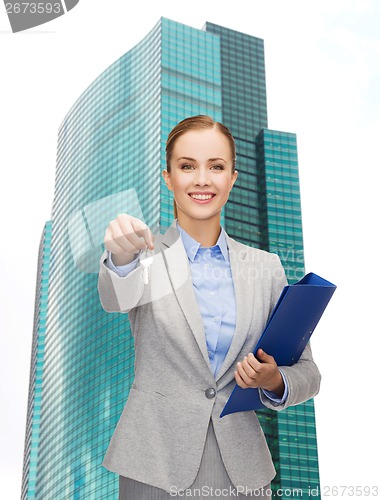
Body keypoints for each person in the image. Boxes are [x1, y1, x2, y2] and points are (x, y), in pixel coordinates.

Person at [98, 115, 321, 499]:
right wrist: (119, 256)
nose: (202, 179)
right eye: (187, 166)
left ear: (232, 178)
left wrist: (272, 380)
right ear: (168, 177)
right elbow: (115, 297)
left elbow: (308, 373)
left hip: (242, 467)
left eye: (216, 167)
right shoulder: (145, 257)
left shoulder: (266, 268)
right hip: (153, 461)